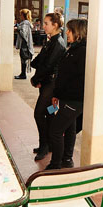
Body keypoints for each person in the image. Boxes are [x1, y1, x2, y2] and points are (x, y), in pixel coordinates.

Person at [48, 19, 87, 169]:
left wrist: (61, 93)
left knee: (55, 131)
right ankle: (67, 159)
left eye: (70, 30)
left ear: (78, 32)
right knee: (70, 128)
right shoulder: (74, 48)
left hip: (74, 99)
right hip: (66, 97)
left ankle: (56, 163)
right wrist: (57, 94)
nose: (67, 33)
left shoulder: (83, 51)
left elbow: (78, 79)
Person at [30, 12, 67, 161]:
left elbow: (49, 65)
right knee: (48, 113)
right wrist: (33, 64)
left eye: (46, 23)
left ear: (55, 25)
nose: (43, 26)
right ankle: (48, 144)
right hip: (45, 81)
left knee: (39, 113)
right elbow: (41, 59)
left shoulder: (58, 43)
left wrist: (36, 78)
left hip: (51, 83)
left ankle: (45, 145)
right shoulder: (51, 40)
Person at [15, 9, 34, 80]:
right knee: (23, 59)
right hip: (25, 44)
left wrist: (17, 29)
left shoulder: (25, 23)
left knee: (23, 58)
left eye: (21, 14)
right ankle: (22, 74)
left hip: (24, 44)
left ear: (23, 15)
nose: (20, 16)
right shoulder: (27, 23)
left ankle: (23, 74)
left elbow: (24, 34)